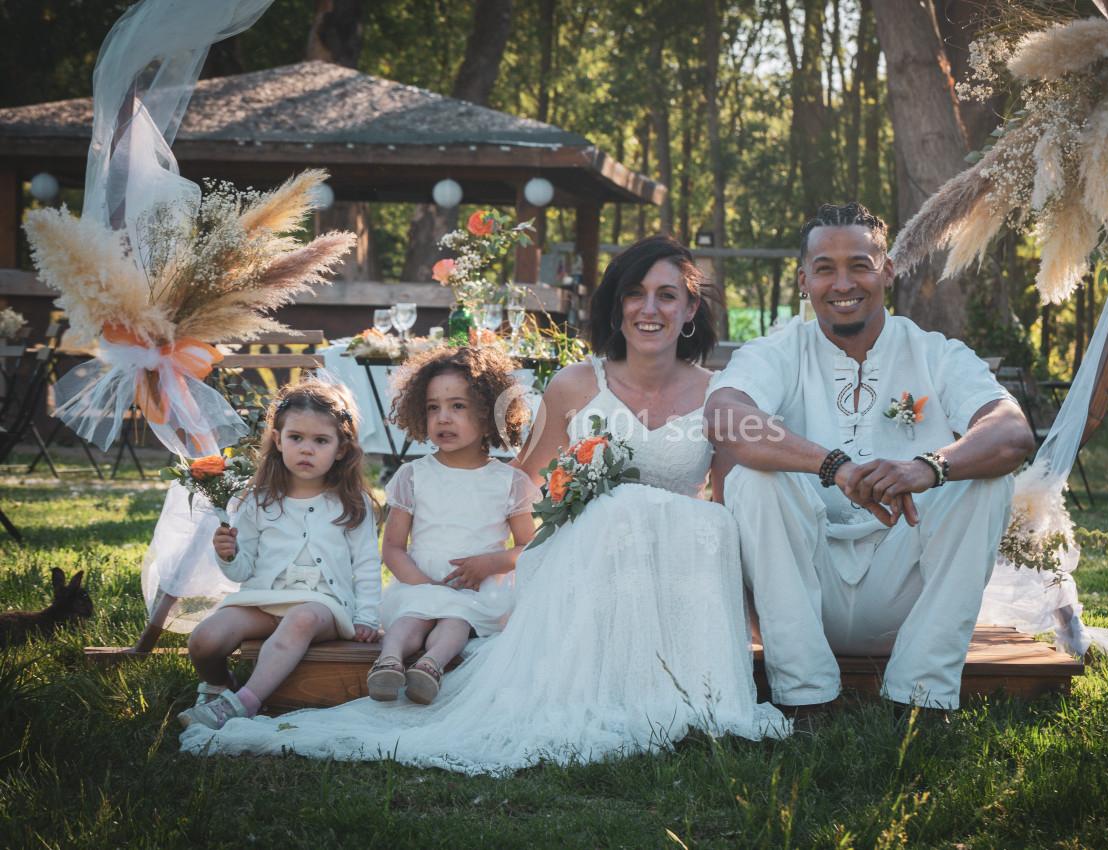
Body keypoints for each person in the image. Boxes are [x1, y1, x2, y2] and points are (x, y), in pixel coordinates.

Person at [180, 235, 786, 772]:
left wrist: (755, 612)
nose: (649, 309)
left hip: (676, 570)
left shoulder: (719, 393)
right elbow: (519, 485)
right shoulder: (577, 384)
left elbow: (732, 498)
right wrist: (493, 562)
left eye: (667, 295)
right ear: (616, 304)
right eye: (635, 293)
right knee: (620, 510)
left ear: (690, 310)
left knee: (703, 522)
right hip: (593, 562)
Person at [705, 202, 1035, 713]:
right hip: (805, 589)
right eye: (825, 269)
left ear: (888, 271)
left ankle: (922, 695)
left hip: (904, 584)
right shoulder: (777, 351)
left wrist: (927, 466)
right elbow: (725, 417)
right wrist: (833, 465)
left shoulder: (935, 353)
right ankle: (804, 697)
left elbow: (1012, 431)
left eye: (859, 265)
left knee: (985, 478)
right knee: (754, 477)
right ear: (803, 280)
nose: (843, 283)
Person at [177, 380, 381, 730]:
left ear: (341, 448)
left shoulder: (351, 503)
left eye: (321, 441)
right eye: (296, 438)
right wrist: (228, 555)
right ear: (277, 439)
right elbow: (243, 572)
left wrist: (367, 618)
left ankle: (245, 702)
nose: (306, 449)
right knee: (205, 638)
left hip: (324, 607)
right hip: (264, 602)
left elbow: (366, 565)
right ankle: (219, 683)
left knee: (300, 619)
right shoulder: (256, 500)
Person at [367, 346, 537, 704]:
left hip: (473, 592)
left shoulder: (508, 481)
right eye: (433, 408)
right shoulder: (413, 475)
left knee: (455, 623)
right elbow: (393, 547)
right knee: (408, 620)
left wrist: (492, 563)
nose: (443, 417)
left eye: (457, 406)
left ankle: (430, 666)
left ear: (489, 413)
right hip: (420, 580)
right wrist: (420, 583)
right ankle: (388, 661)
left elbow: (529, 547)